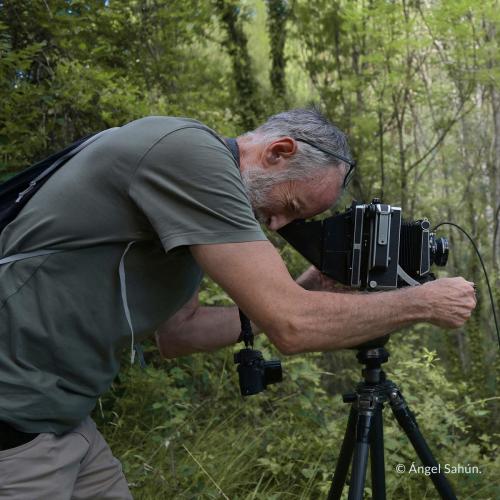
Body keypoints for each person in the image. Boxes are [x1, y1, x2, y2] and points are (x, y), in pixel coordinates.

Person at [0, 109, 476, 499]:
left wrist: (305, 291)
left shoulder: (190, 201)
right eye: (289, 204)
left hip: (62, 419)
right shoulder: (187, 153)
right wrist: (421, 301)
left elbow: (179, 332)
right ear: (278, 151)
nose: (276, 224)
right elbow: (291, 327)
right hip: (14, 426)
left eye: (293, 217)